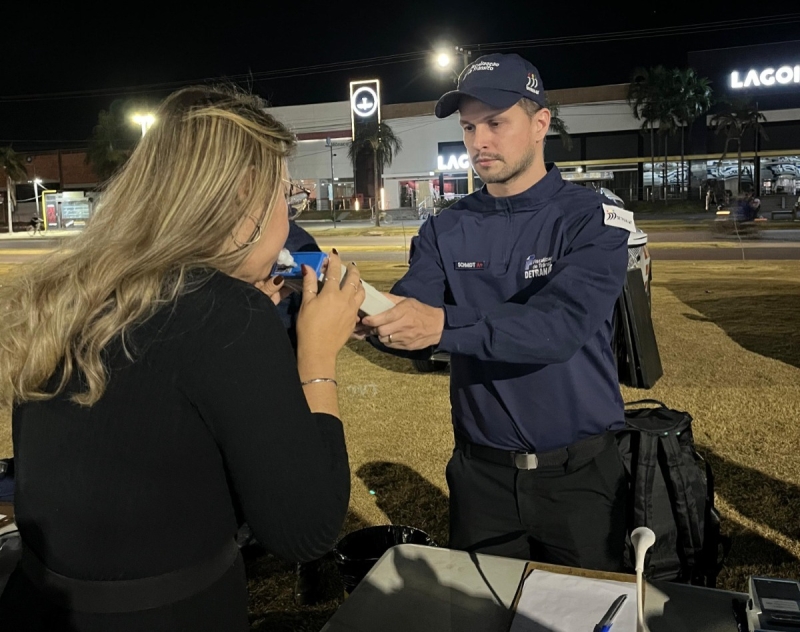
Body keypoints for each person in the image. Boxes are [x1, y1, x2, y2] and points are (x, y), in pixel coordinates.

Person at [0, 85, 365, 631]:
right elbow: (304, 528)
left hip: (40, 603)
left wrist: (240, 328)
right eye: (283, 195)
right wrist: (316, 356)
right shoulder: (226, 318)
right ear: (244, 197)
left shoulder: (68, 292)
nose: (287, 216)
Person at [361, 53, 635, 572]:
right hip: (480, 476)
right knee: (479, 615)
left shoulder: (592, 219)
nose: (478, 142)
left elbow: (557, 328)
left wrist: (440, 325)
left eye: (495, 123)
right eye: (468, 127)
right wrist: (365, 313)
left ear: (540, 124)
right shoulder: (445, 229)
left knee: (584, 613)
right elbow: (407, 311)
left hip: (580, 476)